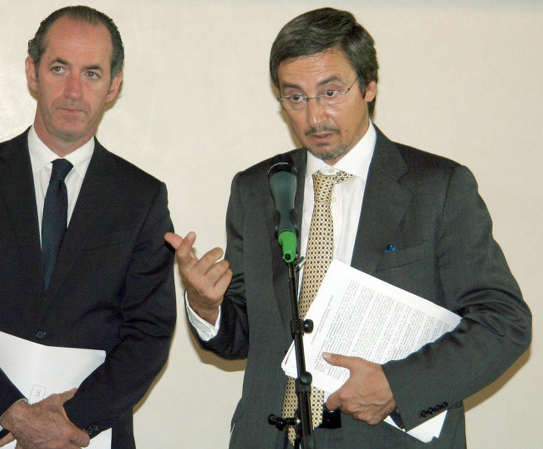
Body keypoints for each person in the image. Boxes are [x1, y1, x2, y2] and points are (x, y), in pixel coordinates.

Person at [165, 7, 531, 449]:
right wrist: (208, 308)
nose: (314, 117)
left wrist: (399, 387)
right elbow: (245, 336)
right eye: (295, 97)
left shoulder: (438, 187)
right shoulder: (257, 189)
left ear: (369, 85)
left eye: (330, 92)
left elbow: (504, 323)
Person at [0, 6, 175, 449]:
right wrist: (13, 414)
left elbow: (148, 334)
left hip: (83, 435)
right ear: (32, 72)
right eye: (59, 68)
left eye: (91, 73)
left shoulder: (142, 198)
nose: (73, 90)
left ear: (114, 85)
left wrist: (68, 421)